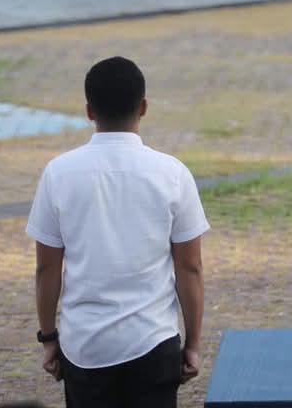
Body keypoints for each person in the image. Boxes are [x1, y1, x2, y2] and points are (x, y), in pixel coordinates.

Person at [27, 56, 208, 408]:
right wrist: (193, 345)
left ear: (89, 111)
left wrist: (49, 338)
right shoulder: (172, 173)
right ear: (144, 107)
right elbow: (190, 268)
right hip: (153, 340)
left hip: (85, 346)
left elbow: (47, 268)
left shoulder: (58, 173)